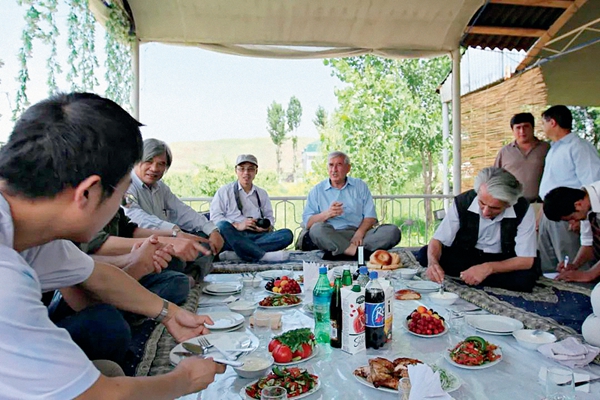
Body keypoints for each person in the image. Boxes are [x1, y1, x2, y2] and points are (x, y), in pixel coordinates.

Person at [0, 93, 225, 399]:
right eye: (122, 195)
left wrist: (169, 314)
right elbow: (97, 395)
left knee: (109, 368)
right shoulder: (6, 279)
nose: (122, 204)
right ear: (89, 192)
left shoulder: (29, 232)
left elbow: (96, 276)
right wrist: (183, 381)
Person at [422, 167, 539, 292]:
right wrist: (433, 264)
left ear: (509, 204)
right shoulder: (463, 202)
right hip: (468, 256)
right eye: (482, 203)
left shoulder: (523, 209)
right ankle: (478, 278)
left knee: (525, 278)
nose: (485, 212)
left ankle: (470, 278)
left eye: (494, 208)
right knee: (426, 254)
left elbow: (526, 260)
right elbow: (438, 240)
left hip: (503, 260)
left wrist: (488, 268)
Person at [123, 138, 224, 280]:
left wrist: (212, 229)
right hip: (147, 246)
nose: (154, 168)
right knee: (175, 260)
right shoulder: (127, 184)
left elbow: (181, 211)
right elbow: (136, 218)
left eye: (161, 164)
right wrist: (175, 232)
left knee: (206, 240)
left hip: (171, 242)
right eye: (149, 161)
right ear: (137, 160)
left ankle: (191, 276)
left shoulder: (160, 187)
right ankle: (183, 276)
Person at [302, 151, 401, 260]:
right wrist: (327, 214)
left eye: (339, 165)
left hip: (358, 236)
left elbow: (370, 216)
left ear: (348, 168)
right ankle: (358, 253)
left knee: (393, 231)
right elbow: (308, 223)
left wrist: (359, 233)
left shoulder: (360, 186)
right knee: (316, 229)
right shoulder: (317, 190)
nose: (334, 170)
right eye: (331, 165)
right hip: (332, 234)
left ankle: (339, 252)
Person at [537, 105, 600, 272]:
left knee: (572, 257)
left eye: (543, 123)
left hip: (573, 210)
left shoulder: (579, 146)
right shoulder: (553, 148)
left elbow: (592, 181)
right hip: (554, 209)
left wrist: (582, 219)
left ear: (552, 122)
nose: (542, 127)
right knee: (553, 265)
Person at [210, 154, 293, 262]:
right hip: (233, 235)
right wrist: (238, 225)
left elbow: (269, 217)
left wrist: (266, 227)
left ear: (256, 171)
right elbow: (215, 218)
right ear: (236, 170)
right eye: (242, 169)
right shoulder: (224, 191)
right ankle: (262, 255)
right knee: (222, 225)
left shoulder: (262, 193)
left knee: (287, 234)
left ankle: (237, 254)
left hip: (257, 235)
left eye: (250, 169)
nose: (246, 173)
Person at [543, 182, 600, 283]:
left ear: (578, 205)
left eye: (572, 218)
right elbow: (587, 244)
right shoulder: (587, 204)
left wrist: (589, 274)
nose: (571, 224)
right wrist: (574, 265)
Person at [494, 112, 550, 203]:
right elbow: (496, 178)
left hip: (541, 203)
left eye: (526, 126)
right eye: (518, 127)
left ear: (533, 127)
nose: (522, 131)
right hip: (511, 204)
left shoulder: (546, 148)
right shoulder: (505, 152)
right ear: (512, 130)